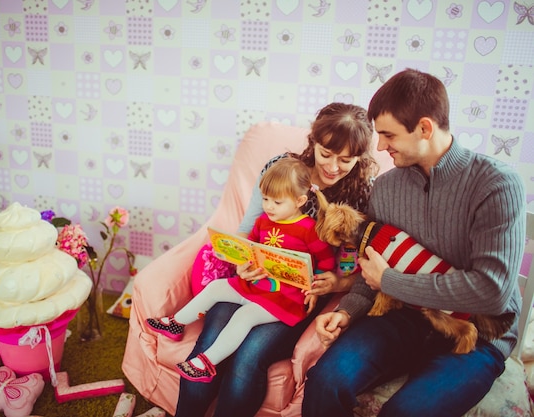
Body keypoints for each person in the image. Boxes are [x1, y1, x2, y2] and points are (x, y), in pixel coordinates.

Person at [302, 68, 526, 417]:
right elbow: (370, 267)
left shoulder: (496, 185)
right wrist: (348, 311)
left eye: (388, 135)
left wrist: (391, 281)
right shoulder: (387, 188)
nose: (379, 147)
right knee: (324, 382)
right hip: (403, 318)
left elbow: (491, 291)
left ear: (424, 128)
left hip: (476, 335)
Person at [174, 103, 380, 416]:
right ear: (313, 142)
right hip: (253, 281)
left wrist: (339, 282)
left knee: (248, 357)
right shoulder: (282, 170)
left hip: (297, 297)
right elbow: (247, 230)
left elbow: (358, 266)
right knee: (208, 346)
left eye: (346, 160)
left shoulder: (360, 196)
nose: (334, 167)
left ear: (360, 158)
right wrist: (243, 261)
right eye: (326, 154)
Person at [146, 158, 338, 382]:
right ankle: (177, 323)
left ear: (300, 201)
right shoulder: (263, 222)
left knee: (243, 316)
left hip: (284, 297)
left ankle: (206, 363)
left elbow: (326, 263)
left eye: (276, 202)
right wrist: (237, 256)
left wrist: (315, 286)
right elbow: (250, 247)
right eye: (265, 199)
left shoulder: (309, 230)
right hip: (255, 284)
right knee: (217, 287)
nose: (268, 206)